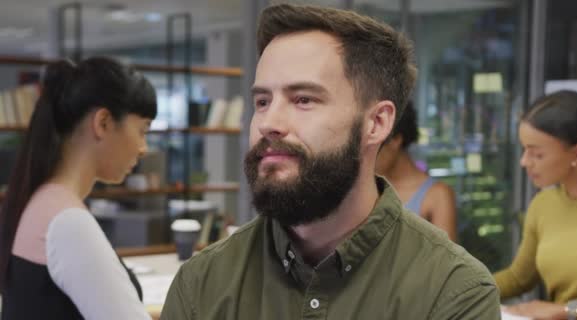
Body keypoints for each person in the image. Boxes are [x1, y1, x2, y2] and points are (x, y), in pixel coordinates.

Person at [161, 4, 499, 319]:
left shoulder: (452, 292)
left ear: (377, 123)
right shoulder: (202, 284)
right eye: (262, 101)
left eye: (303, 99)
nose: (268, 123)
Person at [0, 57, 157, 320]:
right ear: (103, 123)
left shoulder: (38, 202)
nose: (144, 148)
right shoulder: (67, 223)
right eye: (142, 130)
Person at [495, 90, 577, 320]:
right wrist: (459, 290)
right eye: (524, 150)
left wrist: (568, 312)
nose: (524, 162)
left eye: (536, 154)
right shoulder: (543, 204)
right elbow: (519, 278)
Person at [376, 101, 458, 241]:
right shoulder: (370, 187)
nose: (367, 157)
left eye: (375, 148)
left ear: (395, 140)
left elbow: (445, 261)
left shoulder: (438, 195)